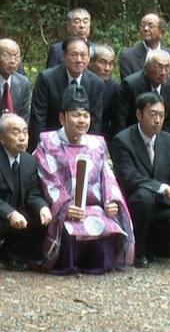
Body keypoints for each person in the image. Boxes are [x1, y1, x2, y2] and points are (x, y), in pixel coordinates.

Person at [34, 85, 134, 274]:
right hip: (65, 207)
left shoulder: (98, 143)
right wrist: (64, 207)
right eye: (76, 115)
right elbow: (49, 180)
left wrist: (110, 202)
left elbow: (107, 177)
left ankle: (99, 264)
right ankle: (67, 263)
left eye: (85, 115)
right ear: (62, 118)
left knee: (107, 222)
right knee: (71, 226)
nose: (82, 120)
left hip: (94, 205)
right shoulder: (47, 142)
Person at [110, 94, 170, 268]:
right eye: (152, 114)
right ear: (139, 114)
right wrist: (163, 187)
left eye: (161, 115)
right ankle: (139, 253)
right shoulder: (123, 140)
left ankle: (151, 247)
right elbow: (129, 177)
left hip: (161, 206)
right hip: (135, 203)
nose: (158, 120)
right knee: (145, 197)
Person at [0, 114, 50, 270]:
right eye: (16, 133)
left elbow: (33, 193)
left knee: (42, 216)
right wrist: (9, 213)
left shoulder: (29, 161)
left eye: (25, 132)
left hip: (18, 210)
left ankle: (11, 254)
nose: (22, 137)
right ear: (2, 138)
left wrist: (42, 207)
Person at [29, 37, 113, 149]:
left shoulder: (96, 83)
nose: (79, 60)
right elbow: (38, 119)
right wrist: (43, 147)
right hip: (50, 142)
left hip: (82, 144)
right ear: (64, 56)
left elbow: (95, 121)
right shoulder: (47, 79)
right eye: (74, 55)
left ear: (88, 58)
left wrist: (89, 150)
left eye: (83, 55)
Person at [119, 49, 170, 153]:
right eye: (158, 67)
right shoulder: (131, 85)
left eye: (167, 67)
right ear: (146, 67)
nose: (163, 72)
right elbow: (121, 120)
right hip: (134, 140)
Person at [119, 12, 170, 78]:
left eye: (151, 26)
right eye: (143, 25)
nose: (146, 29)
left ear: (161, 32)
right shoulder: (127, 57)